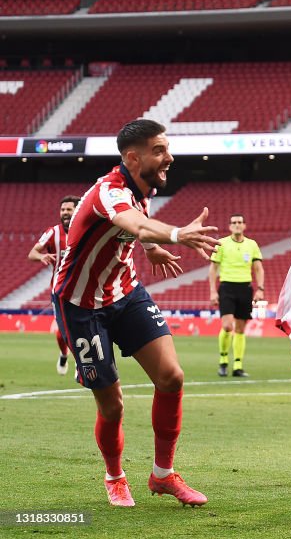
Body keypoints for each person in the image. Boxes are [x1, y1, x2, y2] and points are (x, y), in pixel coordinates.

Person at [52, 119, 220, 507]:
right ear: (133, 157)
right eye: (159, 151)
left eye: (167, 149)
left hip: (125, 292)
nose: (169, 157)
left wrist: (149, 250)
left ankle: (163, 475)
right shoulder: (108, 191)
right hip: (81, 305)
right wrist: (176, 235)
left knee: (171, 376)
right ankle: (115, 476)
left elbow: (135, 226)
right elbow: (133, 222)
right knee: (112, 405)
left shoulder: (142, 187)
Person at [28, 194, 80, 375]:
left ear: (77, 211)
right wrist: (41, 256)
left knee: (82, 328)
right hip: (60, 290)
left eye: (69, 209)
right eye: (63, 210)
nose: (65, 213)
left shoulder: (86, 231)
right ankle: (64, 354)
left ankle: (81, 363)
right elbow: (32, 253)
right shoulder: (53, 233)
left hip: (84, 288)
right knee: (62, 331)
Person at [209, 213, 264, 377]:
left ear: (244, 225)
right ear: (230, 226)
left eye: (240, 222)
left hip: (245, 288)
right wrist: (213, 291)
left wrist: (260, 288)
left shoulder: (252, 244)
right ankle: (223, 361)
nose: (237, 225)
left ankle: (238, 366)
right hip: (227, 287)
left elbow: (258, 268)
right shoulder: (222, 244)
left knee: (240, 328)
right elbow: (213, 269)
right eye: (234, 222)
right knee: (227, 326)